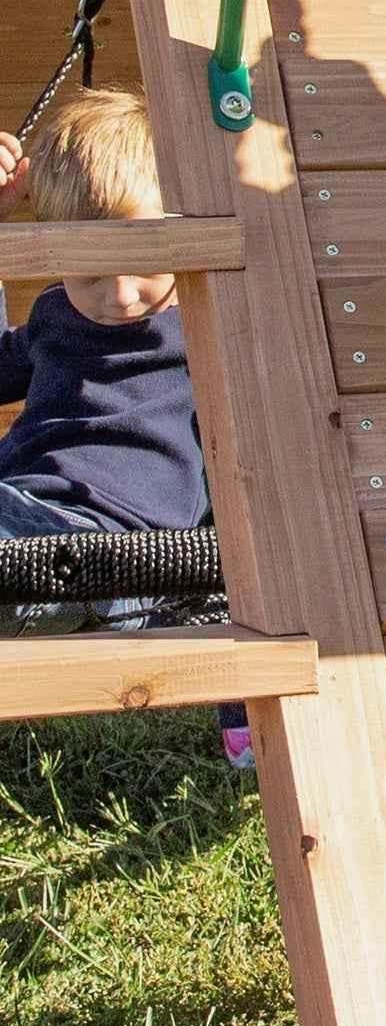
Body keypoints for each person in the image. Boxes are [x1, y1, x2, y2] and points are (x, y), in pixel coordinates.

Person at [0, 91, 209, 630]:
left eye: (144, 263)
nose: (119, 295)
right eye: (90, 273)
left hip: (122, 558)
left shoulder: (210, 324)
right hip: (21, 516)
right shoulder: (56, 314)